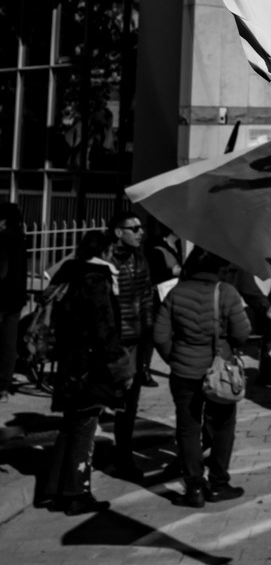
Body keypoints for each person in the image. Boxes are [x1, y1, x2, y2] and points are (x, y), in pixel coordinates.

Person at [41, 230, 131, 515]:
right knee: (84, 426)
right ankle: (77, 492)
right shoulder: (97, 279)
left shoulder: (69, 273)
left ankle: (55, 489)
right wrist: (119, 364)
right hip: (89, 365)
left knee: (70, 425)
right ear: (105, 252)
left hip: (68, 362)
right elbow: (104, 327)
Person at [154, 247, 252, 507]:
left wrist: (173, 358)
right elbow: (242, 333)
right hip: (218, 372)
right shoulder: (227, 292)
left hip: (184, 371)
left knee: (187, 429)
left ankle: (194, 488)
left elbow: (160, 334)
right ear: (218, 268)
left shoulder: (176, 292)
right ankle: (218, 484)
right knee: (222, 427)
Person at [106, 209, 156, 479]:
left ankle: (124, 457)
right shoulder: (105, 259)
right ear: (118, 232)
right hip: (112, 342)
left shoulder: (139, 259)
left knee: (129, 403)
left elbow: (146, 295)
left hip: (136, 341)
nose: (140, 232)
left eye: (141, 228)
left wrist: (149, 332)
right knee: (107, 399)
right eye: (134, 228)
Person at [0, 203, 27, 397]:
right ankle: (3, 385)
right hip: (16, 298)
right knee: (9, 342)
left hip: (1, 296)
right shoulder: (20, 240)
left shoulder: (2, 240)